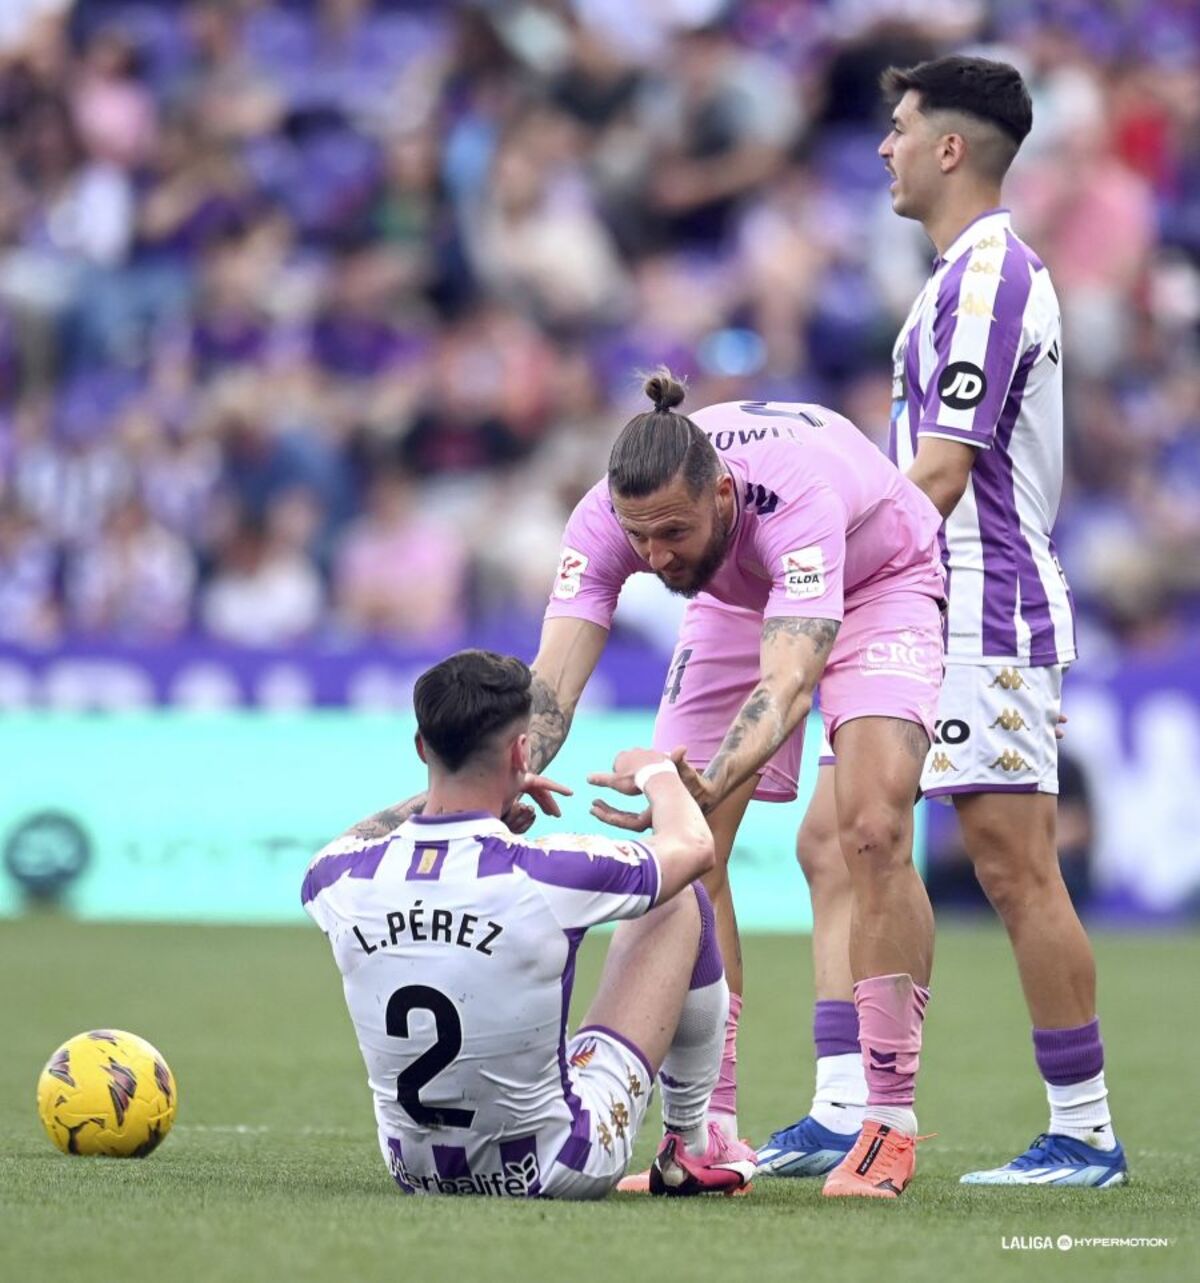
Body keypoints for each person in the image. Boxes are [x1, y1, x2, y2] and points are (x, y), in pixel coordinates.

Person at [757, 55, 1127, 1189]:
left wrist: (824, 570)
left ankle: (1085, 1129)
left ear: (951, 148)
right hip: (918, 596)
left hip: (979, 601)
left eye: (901, 127)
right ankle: (844, 1105)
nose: (884, 146)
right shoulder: (950, 279)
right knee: (836, 837)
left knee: (1015, 866)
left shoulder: (988, 279)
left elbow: (944, 471)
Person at [529, 371, 947, 1198]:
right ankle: (706, 1135)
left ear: (722, 492)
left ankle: (889, 1121)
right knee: (687, 857)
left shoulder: (794, 494)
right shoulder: (612, 516)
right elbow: (552, 681)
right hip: (735, 598)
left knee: (872, 827)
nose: (654, 558)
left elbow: (790, 681)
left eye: (672, 534)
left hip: (878, 583)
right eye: (640, 540)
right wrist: (504, 777)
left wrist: (705, 782)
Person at [301, 648, 756, 1200]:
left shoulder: (338, 877)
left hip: (417, 1173)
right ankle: (693, 1142)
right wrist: (657, 773)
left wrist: (472, 797)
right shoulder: (545, 870)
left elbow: (350, 840)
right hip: (554, 1166)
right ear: (521, 752)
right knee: (679, 897)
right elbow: (695, 847)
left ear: (423, 748)